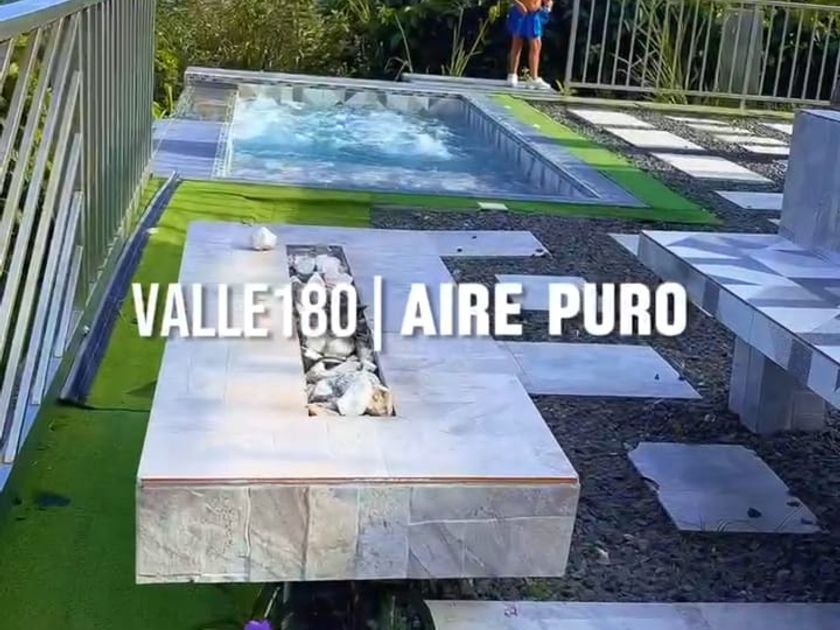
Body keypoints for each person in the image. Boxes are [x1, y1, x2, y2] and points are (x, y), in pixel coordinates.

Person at [506, 0, 553, 89]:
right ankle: (512, 74)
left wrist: (547, 6)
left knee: (536, 45)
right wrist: (518, 4)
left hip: (535, 13)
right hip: (519, 11)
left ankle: (534, 77)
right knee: (517, 43)